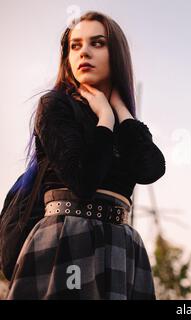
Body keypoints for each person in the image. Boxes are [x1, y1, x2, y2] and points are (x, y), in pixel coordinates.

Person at [6, 11, 165, 299]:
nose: (84, 53)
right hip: (68, 236)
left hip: (121, 243)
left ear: (115, 53)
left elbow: (150, 169)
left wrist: (122, 112)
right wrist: (104, 117)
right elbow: (83, 180)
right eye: (75, 46)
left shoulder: (122, 120)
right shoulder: (55, 105)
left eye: (97, 43)